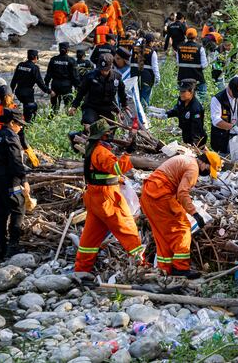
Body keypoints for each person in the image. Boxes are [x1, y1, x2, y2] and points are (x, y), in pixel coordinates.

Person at [73, 120, 144, 273]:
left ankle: (81, 269)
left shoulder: (92, 149)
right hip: (107, 197)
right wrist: (128, 154)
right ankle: (142, 264)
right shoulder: (101, 151)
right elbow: (117, 168)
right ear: (102, 136)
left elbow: (99, 173)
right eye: (108, 132)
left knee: (90, 237)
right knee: (127, 227)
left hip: (94, 197)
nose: (111, 134)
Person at [140, 151, 221, 278]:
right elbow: (182, 193)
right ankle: (181, 268)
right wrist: (195, 214)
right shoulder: (193, 168)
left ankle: (165, 269)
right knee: (182, 229)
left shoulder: (186, 159)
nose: (207, 172)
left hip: (148, 194)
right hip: (160, 196)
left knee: (163, 234)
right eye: (208, 169)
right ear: (204, 163)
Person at [0, 108, 30, 260]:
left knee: (0, 212)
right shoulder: (12, 136)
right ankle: (13, 246)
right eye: (19, 124)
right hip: (8, 179)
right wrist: (23, 180)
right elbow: (15, 161)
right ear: (12, 122)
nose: (21, 127)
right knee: (18, 207)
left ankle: (1, 247)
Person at [68, 53, 128, 125]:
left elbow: (122, 92)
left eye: (106, 70)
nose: (103, 72)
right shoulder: (90, 76)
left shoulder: (117, 77)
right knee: (89, 124)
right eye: (101, 69)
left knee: (110, 130)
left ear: (111, 66)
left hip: (108, 108)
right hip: (92, 107)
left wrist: (125, 105)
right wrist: (74, 106)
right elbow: (81, 91)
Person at [10, 49, 53, 122]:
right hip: (27, 93)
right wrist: (49, 91)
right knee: (32, 108)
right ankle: (27, 125)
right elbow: (40, 83)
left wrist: (11, 92)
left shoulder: (20, 65)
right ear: (36, 57)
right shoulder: (34, 68)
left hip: (18, 92)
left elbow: (14, 80)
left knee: (26, 107)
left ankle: (22, 121)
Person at [210, 77, 238, 156]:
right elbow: (216, 121)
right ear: (228, 87)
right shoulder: (217, 99)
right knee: (224, 160)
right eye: (234, 93)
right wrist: (233, 127)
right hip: (222, 137)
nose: (236, 96)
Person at [167, 79, 207, 147]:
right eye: (180, 91)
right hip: (186, 135)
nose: (181, 94)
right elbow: (177, 110)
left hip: (196, 141)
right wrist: (166, 114)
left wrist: (193, 146)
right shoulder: (182, 99)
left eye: (183, 92)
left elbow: (196, 131)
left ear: (191, 92)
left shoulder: (195, 108)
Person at [45, 42, 79, 113]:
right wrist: (77, 87)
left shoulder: (53, 60)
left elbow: (48, 74)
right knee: (68, 106)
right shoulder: (71, 60)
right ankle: (66, 121)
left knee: (54, 107)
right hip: (66, 86)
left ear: (59, 50)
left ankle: (51, 121)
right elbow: (75, 76)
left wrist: (47, 86)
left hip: (55, 85)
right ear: (67, 50)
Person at [177, 28, 208, 97]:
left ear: (186, 36)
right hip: (197, 77)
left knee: (182, 97)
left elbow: (178, 63)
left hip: (182, 76)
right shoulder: (200, 48)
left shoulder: (179, 48)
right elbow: (204, 65)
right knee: (202, 94)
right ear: (196, 36)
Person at [133, 33, 160, 106]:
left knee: (136, 94)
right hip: (147, 76)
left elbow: (130, 61)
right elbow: (155, 67)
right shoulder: (152, 52)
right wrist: (158, 78)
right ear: (151, 42)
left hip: (134, 74)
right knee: (145, 96)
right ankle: (144, 111)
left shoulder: (135, 49)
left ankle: (137, 110)